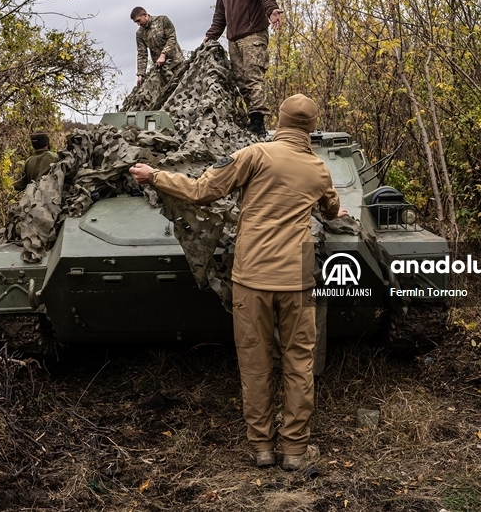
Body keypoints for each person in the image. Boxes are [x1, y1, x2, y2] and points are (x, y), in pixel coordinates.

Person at [129, 94, 348, 470]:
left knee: (255, 362)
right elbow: (329, 209)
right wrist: (334, 209)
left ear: (279, 121)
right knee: (298, 363)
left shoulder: (255, 154)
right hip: (297, 277)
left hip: (252, 276)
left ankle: (262, 448)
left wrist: (154, 176)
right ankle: (295, 451)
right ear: (311, 128)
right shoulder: (318, 168)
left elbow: (201, 191)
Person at [203, 0, 283, 137]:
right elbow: (220, 15)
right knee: (240, 80)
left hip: (253, 33)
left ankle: (258, 122)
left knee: (253, 76)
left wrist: (272, 9)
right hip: (234, 38)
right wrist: (210, 36)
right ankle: (252, 119)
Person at [132, 7, 183, 88]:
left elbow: (172, 38)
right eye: (136, 22)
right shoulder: (140, 33)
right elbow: (142, 54)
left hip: (177, 62)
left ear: (144, 15)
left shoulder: (163, 20)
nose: (138, 24)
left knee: (184, 88)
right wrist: (141, 74)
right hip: (163, 70)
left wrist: (163, 55)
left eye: (138, 20)